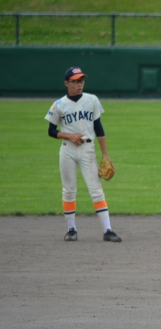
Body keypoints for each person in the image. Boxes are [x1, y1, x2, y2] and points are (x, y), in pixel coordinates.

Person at [45, 67, 122, 243]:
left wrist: (105, 154)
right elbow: (51, 131)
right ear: (66, 83)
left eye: (82, 81)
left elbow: (99, 127)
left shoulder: (91, 100)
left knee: (96, 190)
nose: (80, 84)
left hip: (88, 150)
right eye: (76, 81)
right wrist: (69, 135)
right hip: (68, 150)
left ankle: (107, 230)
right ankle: (71, 230)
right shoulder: (59, 104)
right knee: (69, 190)